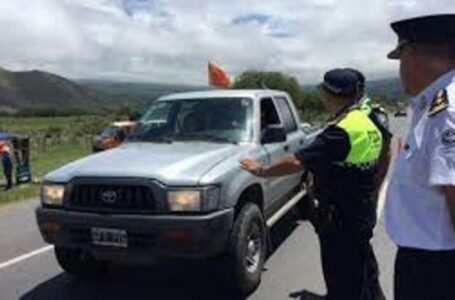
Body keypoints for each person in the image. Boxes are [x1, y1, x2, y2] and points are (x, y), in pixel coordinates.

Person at [241, 69, 384, 300]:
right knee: (364, 269)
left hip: (341, 218)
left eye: (324, 92)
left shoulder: (341, 131)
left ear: (333, 94)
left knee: (342, 279)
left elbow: (297, 161)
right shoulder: (365, 121)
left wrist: (261, 170)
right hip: (361, 210)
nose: (322, 98)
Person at [384, 14, 455, 300]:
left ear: (411, 54)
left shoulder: (446, 112)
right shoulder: (434, 105)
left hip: (435, 269)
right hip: (430, 261)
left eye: (399, 58)